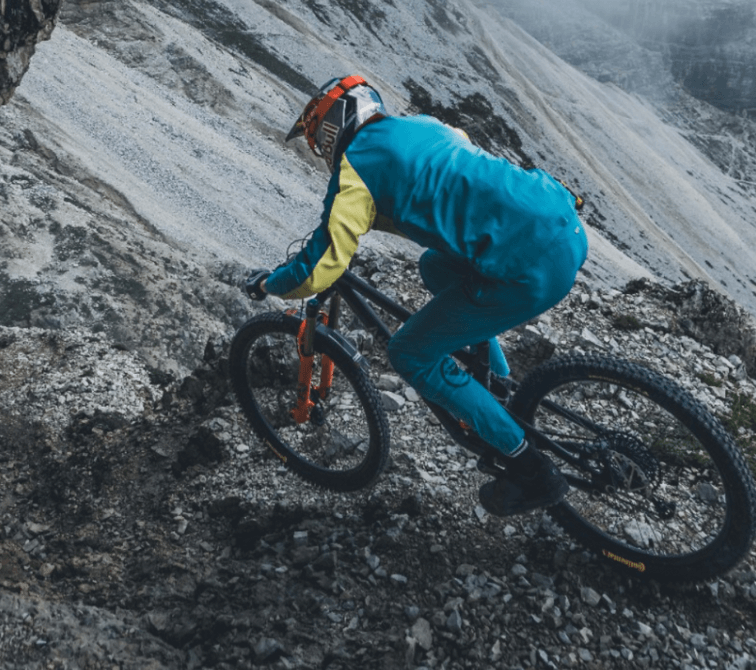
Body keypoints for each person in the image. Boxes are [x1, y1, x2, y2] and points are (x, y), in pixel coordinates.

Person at [251, 75, 588, 516]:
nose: (321, 149)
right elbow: (463, 171)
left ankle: (531, 470)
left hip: (531, 267)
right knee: (435, 265)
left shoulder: (357, 167)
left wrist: (269, 284)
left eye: (318, 138)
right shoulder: (425, 124)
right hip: (562, 222)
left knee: (410, 353)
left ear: (331, 128)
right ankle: (496, 384)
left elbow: (321, 268)